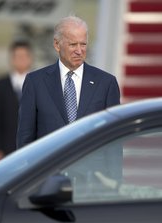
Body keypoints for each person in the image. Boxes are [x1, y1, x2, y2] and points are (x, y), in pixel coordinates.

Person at [17, 16, 120, 148]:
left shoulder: (106, 83)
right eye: (73, 44)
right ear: (57, 44)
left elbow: (113, 139)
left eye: (83, 44)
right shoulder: (35, 82)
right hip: (50, 167)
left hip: (91, 168)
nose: (79, 51)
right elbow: (25, 138)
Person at [0, 40, 33, 162]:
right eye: (17, 56)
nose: (21, 59)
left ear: (30, 58)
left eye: (24, 56)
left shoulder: (40, 84)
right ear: (11, 59)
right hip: (5, 151)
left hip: (33, 149)